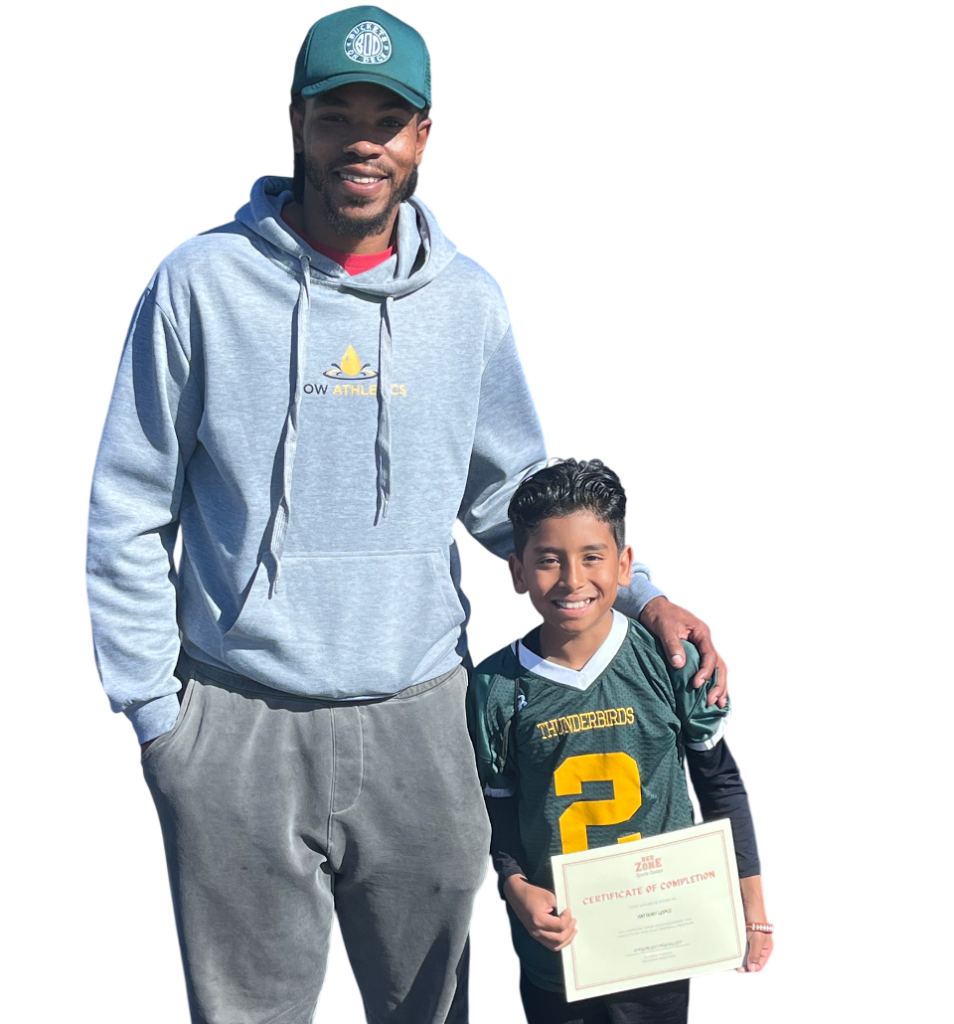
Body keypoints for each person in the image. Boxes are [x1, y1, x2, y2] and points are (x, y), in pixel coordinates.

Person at [84, 8, 730, 1024]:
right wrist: (157, 718)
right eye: (336, 114)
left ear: (424, 137)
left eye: (388, 119)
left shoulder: (469, 298)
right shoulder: (197, 282)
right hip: (236, 720)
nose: (362, 141)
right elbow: (127, 502)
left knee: (430, 1009)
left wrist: (639, 597)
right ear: (296, 123)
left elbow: (514, 494)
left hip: (427, 722)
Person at [467, 457, 773, 1024]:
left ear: (626, 563)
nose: (572, 580)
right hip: (558, 953)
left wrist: (753, 909)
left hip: (663, 940)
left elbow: (722, 786)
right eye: (548, 561)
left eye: (592, 557)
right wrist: (513, 886)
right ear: (514, 572)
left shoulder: (671, 662)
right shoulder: (492, 686)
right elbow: (497, 813)